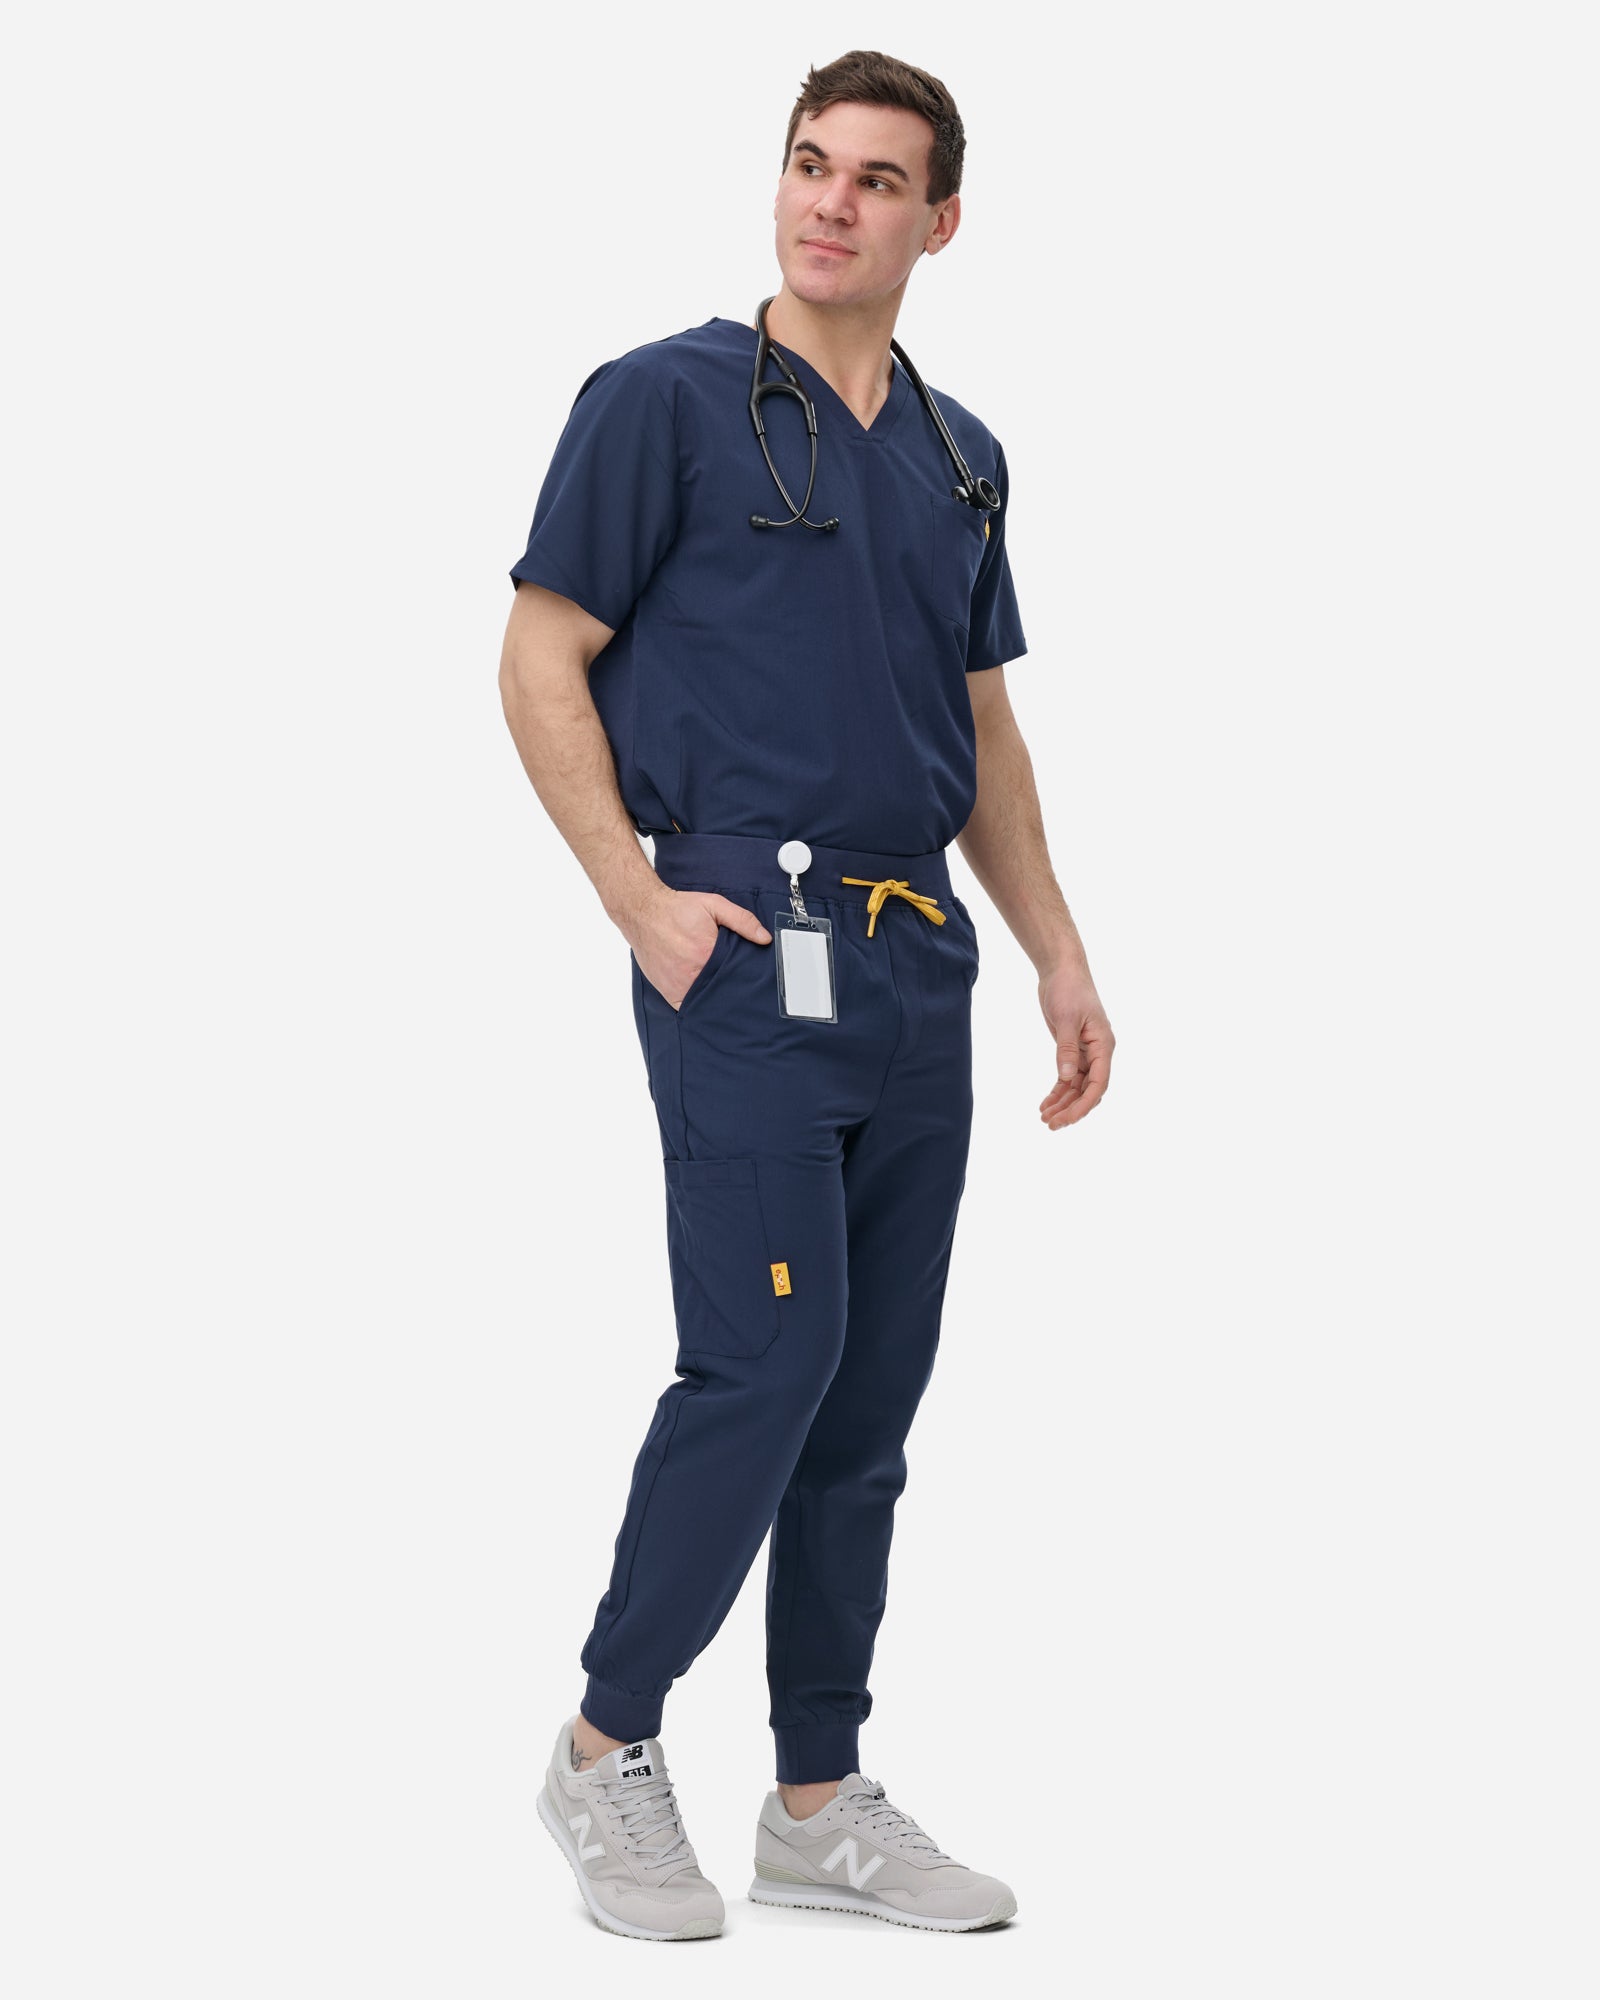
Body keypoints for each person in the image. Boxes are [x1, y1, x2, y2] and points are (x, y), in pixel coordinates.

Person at [499, 49, 1114, 1942]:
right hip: (745, 949)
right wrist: (637, 900)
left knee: (867, 1395)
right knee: (765, 1362)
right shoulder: (663, 403)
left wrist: (1057, 948)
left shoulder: (959, 454)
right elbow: (538, 654)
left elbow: (981, 728)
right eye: (808, 164)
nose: (830, 202)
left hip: (915, 962)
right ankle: (605, 1745)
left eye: (875, 179)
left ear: (942, 221)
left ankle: (818, 1799)